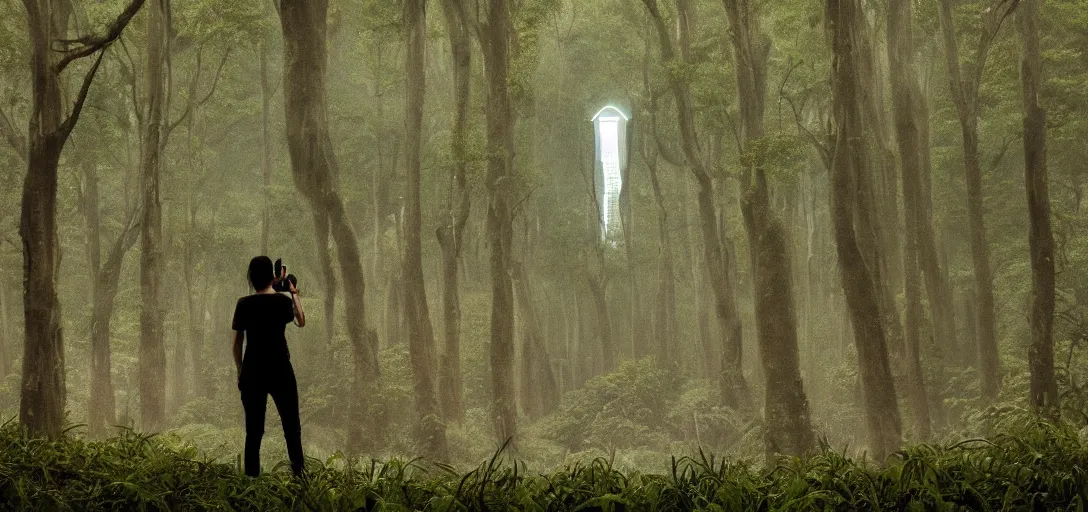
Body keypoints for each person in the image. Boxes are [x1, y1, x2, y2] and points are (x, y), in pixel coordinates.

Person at [232, 256, 307, 477]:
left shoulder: (243, 304)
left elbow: (236, 344)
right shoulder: (283, 302)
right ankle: (299, 477)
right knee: (291, 428)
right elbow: (301, 320)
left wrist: (239, 370)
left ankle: (251, 482)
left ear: (251, 277)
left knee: (253, 432)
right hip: (280, 370)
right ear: (271, 277)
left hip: (252, 371)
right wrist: (292, 292)